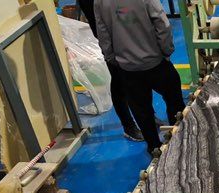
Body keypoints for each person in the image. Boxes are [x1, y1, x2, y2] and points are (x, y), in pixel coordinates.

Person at [94, 0, 185, 154]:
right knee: (174, 101)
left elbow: (103, 34)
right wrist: (166, 51)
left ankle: (154, 147)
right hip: (156, 63)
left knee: (142, 111)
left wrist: (113, 59)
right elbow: (162, 24)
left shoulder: (99, 2)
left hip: (128, 69)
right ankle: (181, 140)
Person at [78, 0, 143, 142]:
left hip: (123, 25)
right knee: (119, 78)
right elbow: (97, 20)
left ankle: (147, 116)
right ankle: (129, 125)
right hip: (109, 34)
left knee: (137, 73)